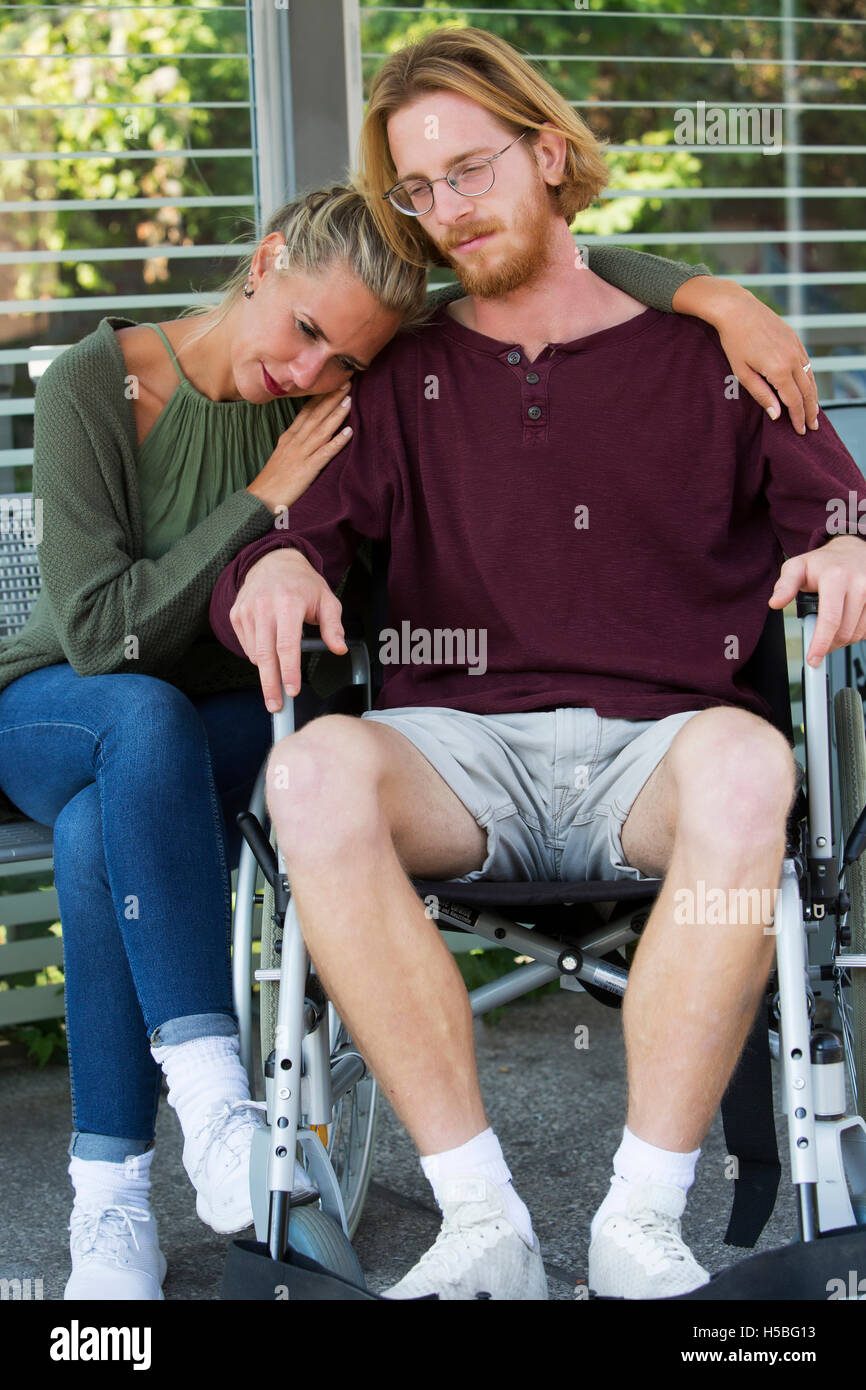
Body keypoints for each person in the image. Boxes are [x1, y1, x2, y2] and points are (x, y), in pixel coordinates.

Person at [0, 181, 775, 1303]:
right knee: (136, 722)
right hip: (60, 702)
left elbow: (543, 271)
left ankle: (108, 1200)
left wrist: (713, 299)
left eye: (343, 363)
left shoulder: (350, 390)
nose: (311, 374)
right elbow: (100, 629)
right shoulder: (98, 381)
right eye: (305, 330)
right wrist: (264, 497)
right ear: (265, 257)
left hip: (205, 732)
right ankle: (216, 1108)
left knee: (97, 836)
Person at [210, 27, 866, 1301]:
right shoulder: (396, 376)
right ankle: (480, 1226)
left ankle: (638, 1225)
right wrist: (277, 568)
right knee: (314, 779)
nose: (446, 209)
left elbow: (838, 514)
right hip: (459, 759)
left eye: (471, 170)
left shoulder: (711, 351)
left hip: (661, 757)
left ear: (550, 155)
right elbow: (287, 533)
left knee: (750, 763)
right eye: (418, 187)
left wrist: (844, 553)